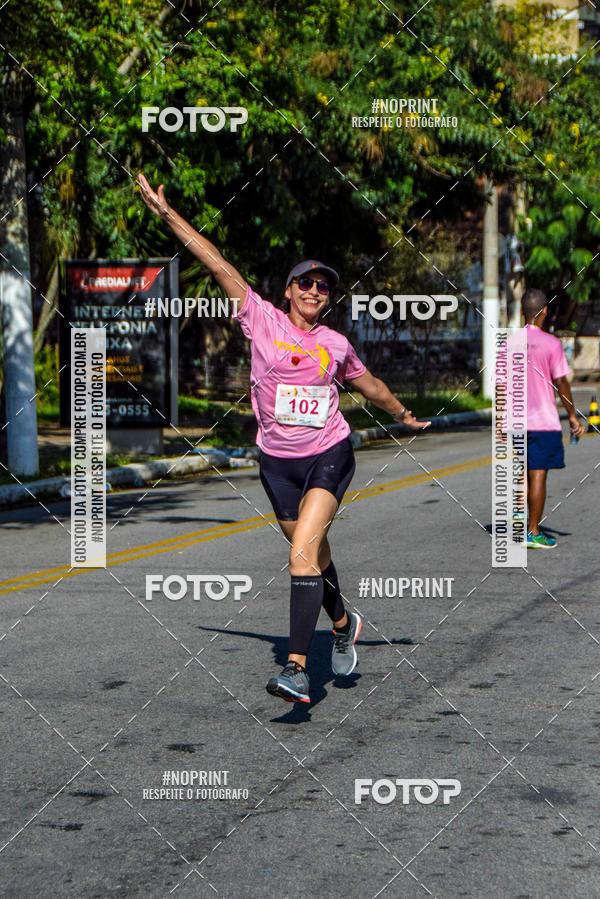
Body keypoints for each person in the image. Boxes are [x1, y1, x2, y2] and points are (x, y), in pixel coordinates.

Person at [138, 173, 430, 703]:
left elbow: (372, 386)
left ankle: (296, 669)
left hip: (328, 453)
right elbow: (216, 261)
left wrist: (403, 413)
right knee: (313, 556)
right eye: (307, 284)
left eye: (325, 287)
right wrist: (167, 215)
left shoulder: (336, 344)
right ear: (289, 290)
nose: (316, 292)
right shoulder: (261, 319)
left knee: (300, 554)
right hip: (276, 463)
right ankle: (342, 623)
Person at [521, 288, 585, 549]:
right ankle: (533, 531)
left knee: (525, 474)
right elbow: (562, 384)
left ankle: (526, 524)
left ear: (524, 311)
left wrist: (502, 420)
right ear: (545, 311)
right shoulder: (552, 344)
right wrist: (572, 415)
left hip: (517, 422)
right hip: (543, 422)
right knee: (538, 476)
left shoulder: (509, 343)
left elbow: (502, 387)